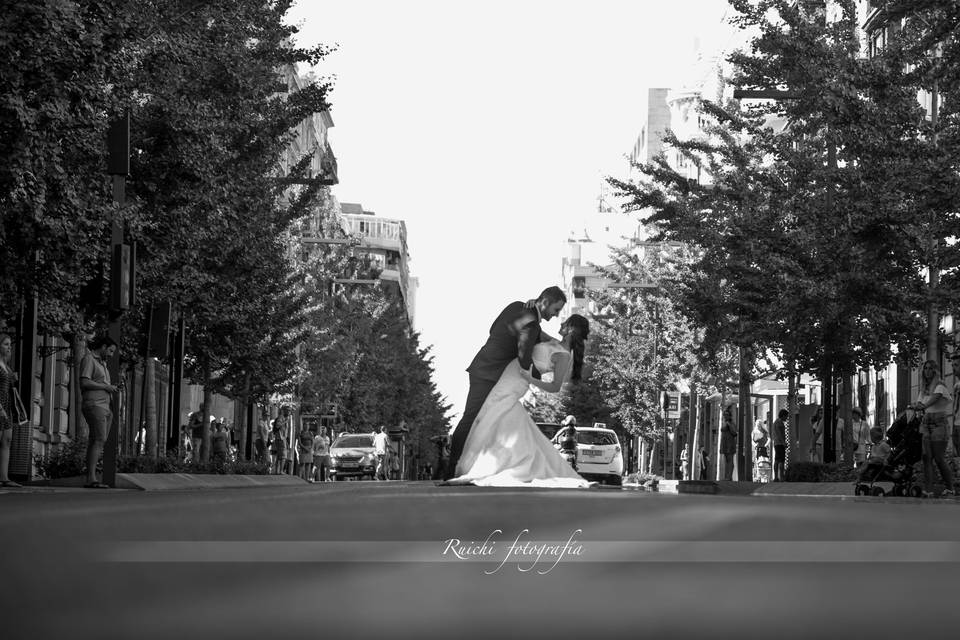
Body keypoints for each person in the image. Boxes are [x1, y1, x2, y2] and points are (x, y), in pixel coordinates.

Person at [445, 314, 591, 488]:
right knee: (494, 416)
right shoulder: (553, 342)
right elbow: (533, 327)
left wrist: (530, 378)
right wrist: (529, 308)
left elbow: (555, 386)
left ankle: (504, 463)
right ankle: (501, 461)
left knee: (497, 414)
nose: (560, 322)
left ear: (571, 329)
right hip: (508, 375)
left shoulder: (564, 356)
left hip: (517, 381)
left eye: (565, 323)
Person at [445, 286, 567, 479]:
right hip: (491, 373)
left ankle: (463, 466)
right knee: (472, 419)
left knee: (480, 420)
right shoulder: (532, 323)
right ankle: (451, 469)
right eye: (556, 309)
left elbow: (493, 328)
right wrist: (540, 374)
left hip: (483, 366)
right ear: (545, 302)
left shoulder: (516, 306)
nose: (557, 315)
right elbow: (524, 359)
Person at [79, 336, 118, 488]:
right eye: (110, 351)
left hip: (105, 407)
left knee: (97, 440)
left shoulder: (103, 363)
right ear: (102, 346)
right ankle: (91, 478)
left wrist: (110, 388)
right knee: (99, 440)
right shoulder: (89, 359)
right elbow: (84, 381)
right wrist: (106, 387)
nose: (111, 355)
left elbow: (100, 383)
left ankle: (91, 477)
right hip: (95, 405)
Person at [914, 359, 955, 498]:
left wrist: (921, 406)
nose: (927, 371)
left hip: (939, 423)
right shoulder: (924, 388)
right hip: (926, 423)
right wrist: (917, 406)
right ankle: (928, 489)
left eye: (931, 368)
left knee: (938, 457)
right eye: (925, 368)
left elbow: (933, 399)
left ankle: (950, 488)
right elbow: (919, 402)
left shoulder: (940, 385)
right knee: (926, 457)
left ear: (935, 370)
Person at [0, 333, 21, 488]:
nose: (9, 347)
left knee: (7, 440)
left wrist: (13, 378)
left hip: (7, 404)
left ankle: (4, 477)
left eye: (10, 345)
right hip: (0, 404)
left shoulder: (6, 366)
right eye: (5, 344)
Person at [720, 406, 737, 480]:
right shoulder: (723, 423)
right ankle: (727, 476)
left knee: (730, 460)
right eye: (724, 415)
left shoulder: (731, 423)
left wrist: (729, 425)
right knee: (727, 460)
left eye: (727, 415)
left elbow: (734, 433)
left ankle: (729, 476)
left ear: (729, 416)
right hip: (725, 443)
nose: (725, 416)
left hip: (730, 443)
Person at [771, 409, 788, 482]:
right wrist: (783, 442)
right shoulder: (779, 422)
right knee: (781, 460)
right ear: (783, 415)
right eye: (786, 416)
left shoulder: (775, 422)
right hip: (780, 444)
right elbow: (779, 434)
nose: (786, 418)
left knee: (777, 460)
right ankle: (781, 477)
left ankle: (776, 477)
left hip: (776, 443)